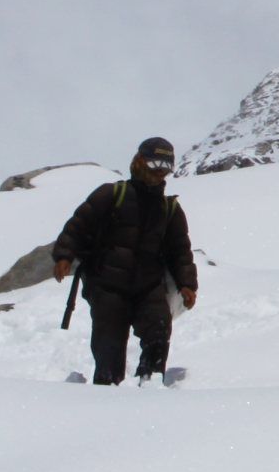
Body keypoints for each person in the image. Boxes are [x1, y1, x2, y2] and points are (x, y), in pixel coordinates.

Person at [52, 137, 200, 385]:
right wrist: (64, 256)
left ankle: (150, 383)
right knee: (108, 345)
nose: (160, 169)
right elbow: (77, 227)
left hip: (149, 286)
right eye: (155, 162)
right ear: (140, 162)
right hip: (107, 285)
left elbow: (180, 251)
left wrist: (187, 285)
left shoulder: (170, 209)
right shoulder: (111, 194)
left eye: (167, 164)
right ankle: (106, 391)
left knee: (158, 330)